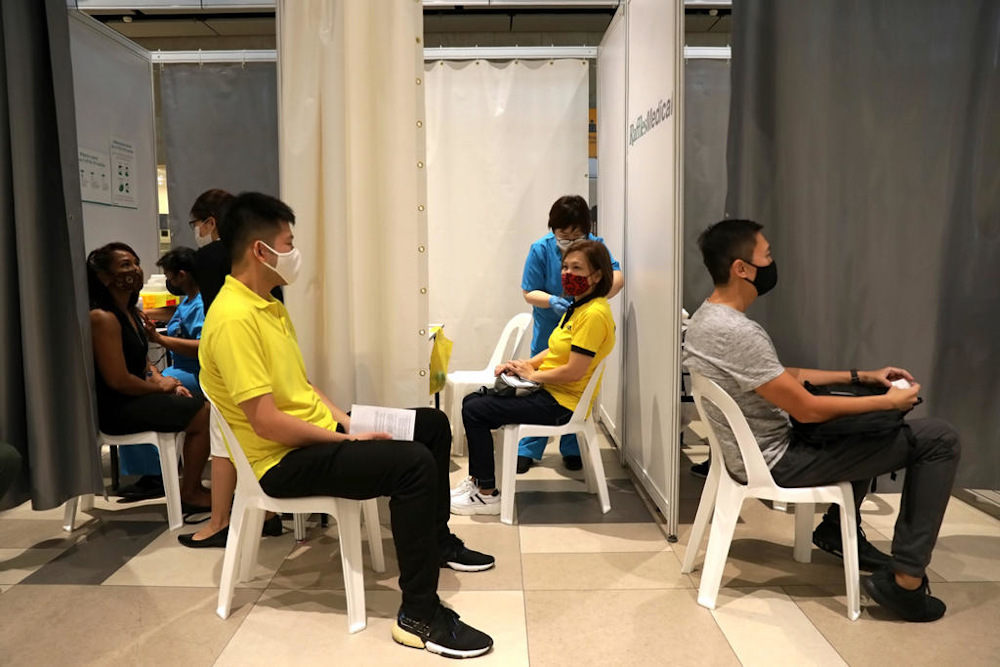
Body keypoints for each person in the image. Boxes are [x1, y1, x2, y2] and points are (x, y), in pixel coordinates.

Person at [198, 192, 494, 658]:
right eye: (288, 243)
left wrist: (346, 421)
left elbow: (301, 386)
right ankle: (419, 616)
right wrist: (346, 438)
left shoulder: (268, 304)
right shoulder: (233, 319)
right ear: (260, 250)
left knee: (433, 426)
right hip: (282, 461)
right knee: (413, 465)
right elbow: (267, 423)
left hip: (315, 437)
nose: (294, 253)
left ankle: (437, 542)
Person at [683, 218, 960, 623]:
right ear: (742, 268)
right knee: (939, 438)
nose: (773, 262)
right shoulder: (739, 333)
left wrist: (860, 377)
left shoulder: (707, 320)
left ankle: (834, 530)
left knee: (862, 421)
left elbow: (779, 376)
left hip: (753, 453)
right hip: (781, 461)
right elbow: (807, 410)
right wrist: (888, 401)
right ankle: (906, 582)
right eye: (767, 255)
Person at [453, 240, 616, 515]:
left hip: (562, 404)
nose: (567, 273)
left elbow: (575, 370)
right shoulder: (579, 307)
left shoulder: (594, 314)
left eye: (577, 268)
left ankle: (486, 494)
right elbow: (556, 349)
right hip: (551, 394)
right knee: (473, 401)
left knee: (476, 410)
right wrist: (524, 365)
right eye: (565, 267)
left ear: (597, 275)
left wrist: (535, 375)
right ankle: (478, 481)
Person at [87, 243, 212, 511]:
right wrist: (160, 387)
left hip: (136, 396)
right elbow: (119, 380)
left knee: (198, 406)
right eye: (125, 265)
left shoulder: (130, 314)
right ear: (104, 276)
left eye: (136, 262)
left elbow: (144, 363)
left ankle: (188, 486)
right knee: (202, 413)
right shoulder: (103, 318)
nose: (135, 270)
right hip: (118, 407)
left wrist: (164, 381)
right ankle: (188, 490)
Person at [518, 195, 623, 473]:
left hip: (583, 327)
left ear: (586, 230)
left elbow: (617, 276)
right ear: (553, 229)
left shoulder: (595, 247)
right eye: (563, 235)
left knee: (576, 388)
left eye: (576, 235)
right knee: (540, 386)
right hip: (549, 327)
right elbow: (529, 291)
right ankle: (529, 448)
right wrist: (553, 301)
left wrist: (591, 301)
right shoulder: (541, 249)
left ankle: (572, 446)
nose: (569, 240)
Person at [118, 247, 208, 494]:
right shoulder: (187, 301)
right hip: (179, 369)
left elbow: (204, 348)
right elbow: (171, 314)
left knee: (143, 399)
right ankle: (154, 468)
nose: (169, 283)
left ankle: (154, 474)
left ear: (182, 275)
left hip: (196, 373)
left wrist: (160, 339)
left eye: (169, 277)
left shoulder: (201, 304)